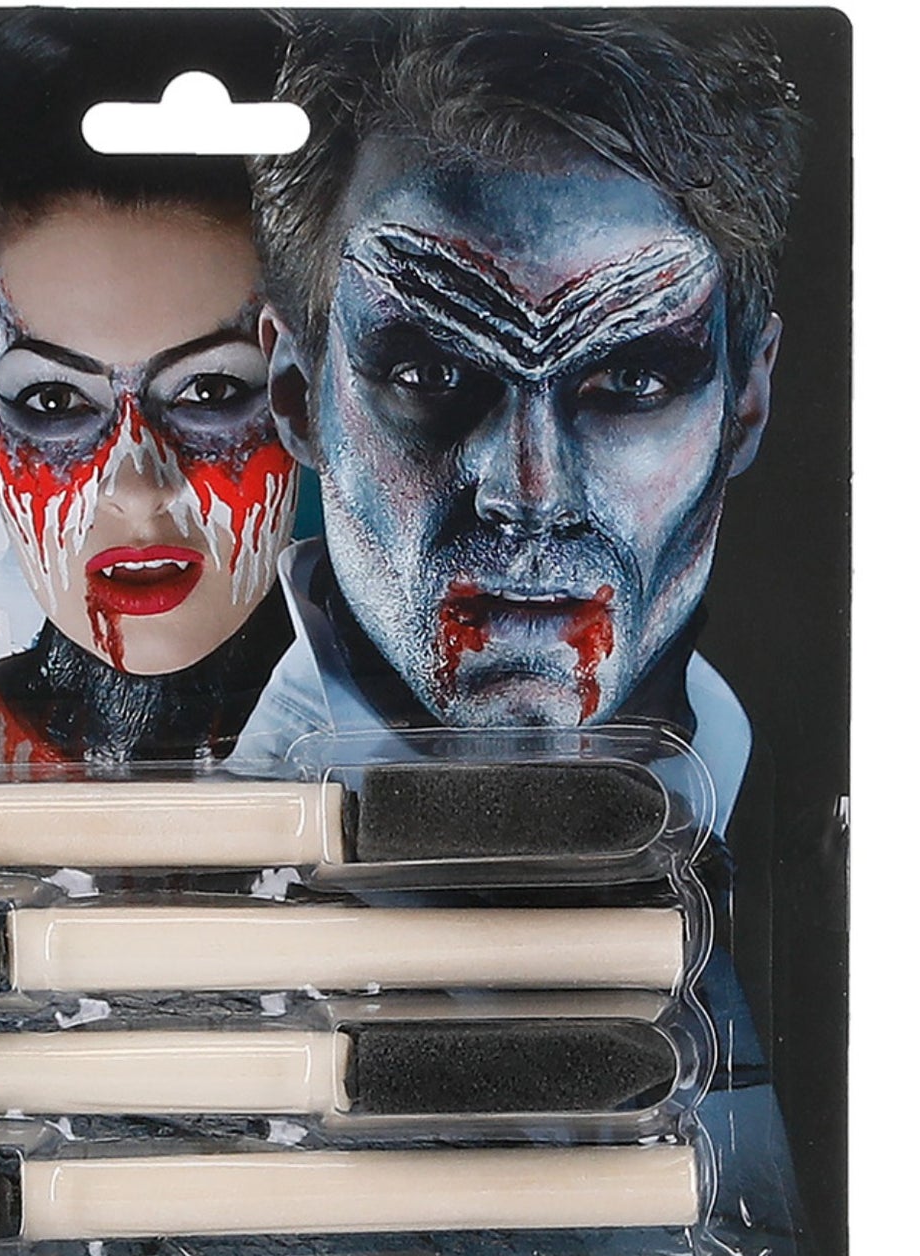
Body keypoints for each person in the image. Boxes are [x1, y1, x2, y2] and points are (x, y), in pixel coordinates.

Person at [230, 10, 805, 834]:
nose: (530, 492)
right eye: (432, 375)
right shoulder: (205, 864)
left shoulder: (785, 793)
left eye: (630, 380)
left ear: (742, 405)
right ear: (294, 394)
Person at [0, 8, 299, 768]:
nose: (136, 488)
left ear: (308, 389)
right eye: (54, 401)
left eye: (209, 391)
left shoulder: (419, 746)